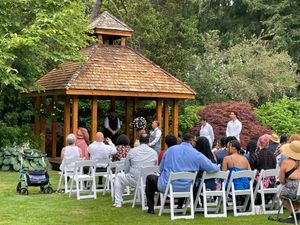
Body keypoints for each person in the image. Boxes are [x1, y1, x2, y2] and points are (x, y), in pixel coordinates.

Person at [145, 133, 219, 214]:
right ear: (191, 141)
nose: (195, 143)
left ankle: (150, 207)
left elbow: (160, 168)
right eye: (195, 141)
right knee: (191, 180)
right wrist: (219, 167)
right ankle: (180, 206)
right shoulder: (196, 154)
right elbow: (212, 168)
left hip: (167, 186)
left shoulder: (170, 150)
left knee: (150, 178)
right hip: (187, 187)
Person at [113, 134, 157, 208]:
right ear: (149, 141)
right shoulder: (154, 152)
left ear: (139, 141)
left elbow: (126, 168)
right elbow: (155, 167)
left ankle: (118, 202)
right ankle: (146, 199)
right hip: (148, 180)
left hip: (134, 179)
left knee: (118, 177)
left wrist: (129, 172)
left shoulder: (132, 151)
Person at [279, 141, 300, 223]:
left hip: (293, 191)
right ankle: (297, 211)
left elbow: (281, 180)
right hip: (298, 192)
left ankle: (295, 211)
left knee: (281, 195)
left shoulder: (285, 162)